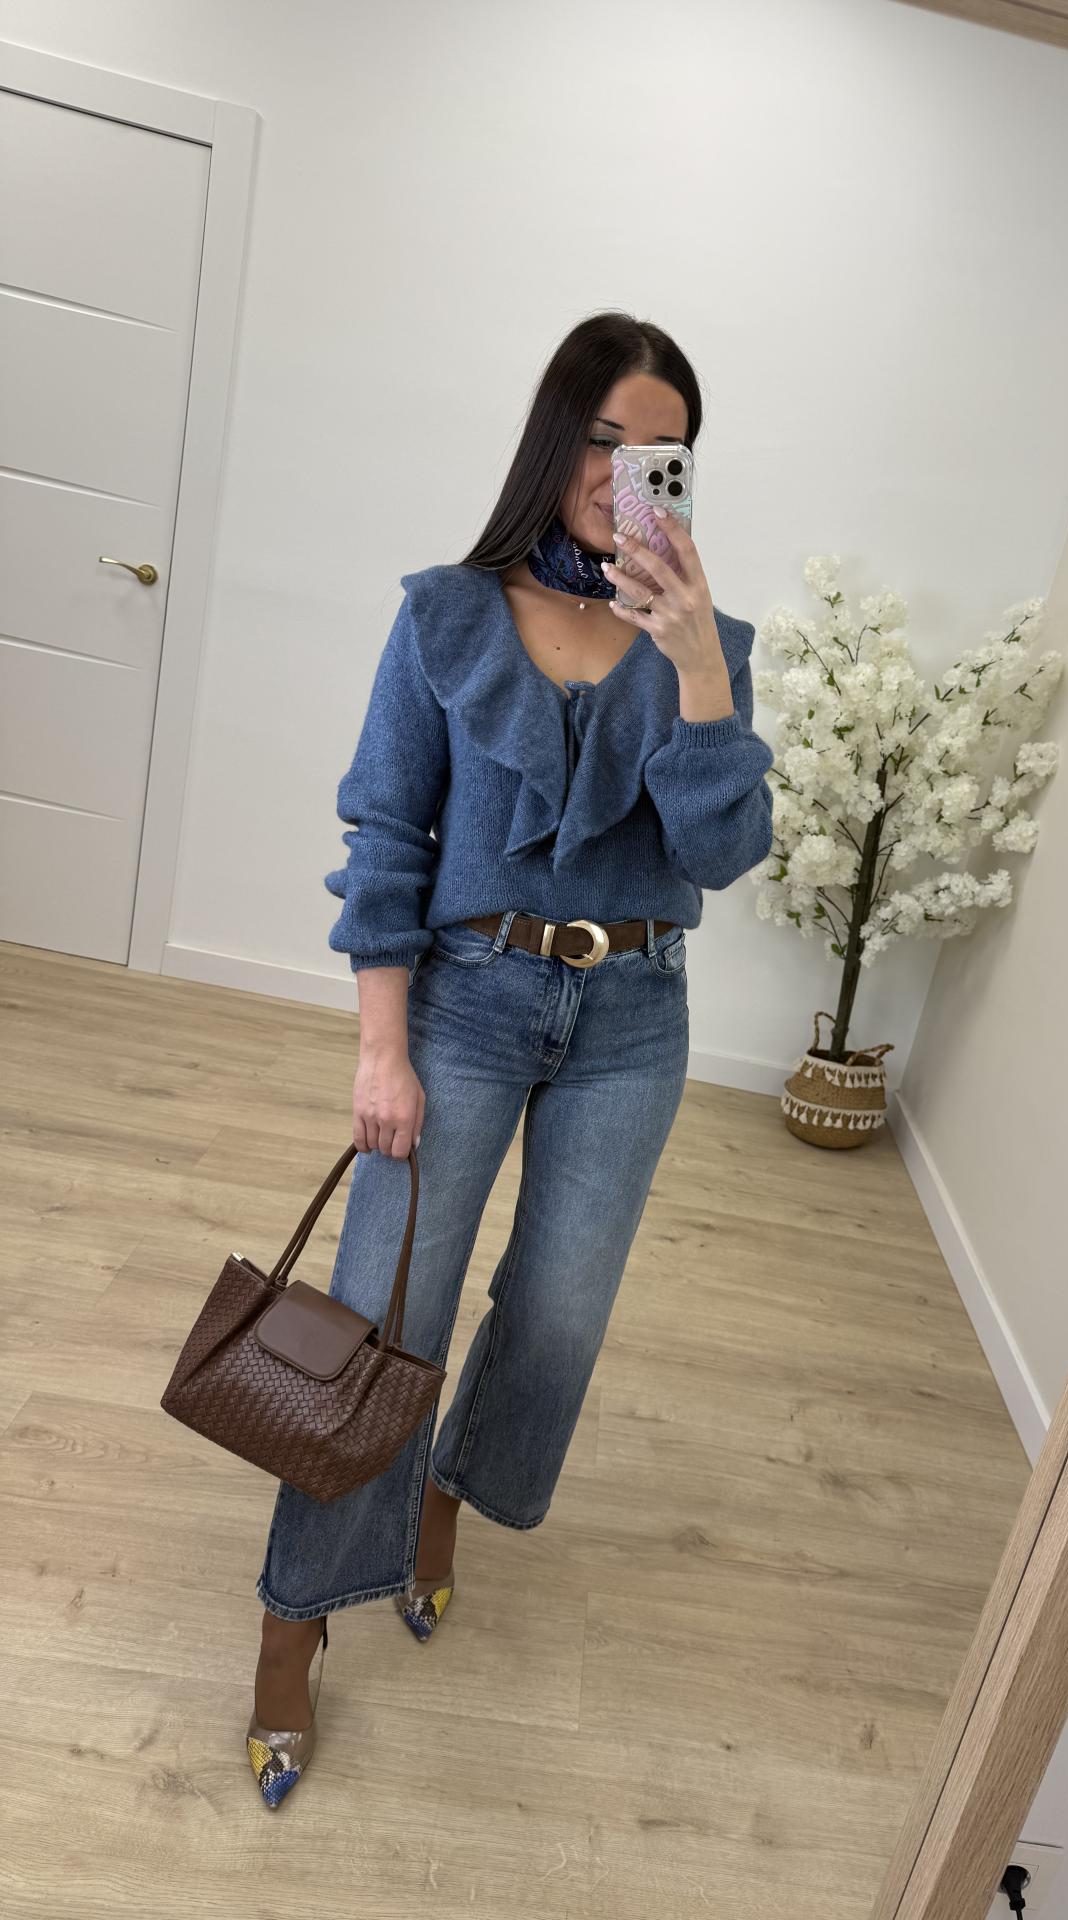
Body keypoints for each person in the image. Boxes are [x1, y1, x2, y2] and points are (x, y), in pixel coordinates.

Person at [245, 311, 775, 1806]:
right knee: (381, 1316)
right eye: (602, 440)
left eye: (660, 452)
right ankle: (294, 1620)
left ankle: (446, 1504)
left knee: (555, 1314)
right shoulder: (447, 616)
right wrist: (381, 1050)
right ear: (556, 441)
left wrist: (696, 667)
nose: (623, 474)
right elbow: (385, 836)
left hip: (634, 1021)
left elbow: (725, 854)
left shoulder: (711, 648)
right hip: (467, 1002)